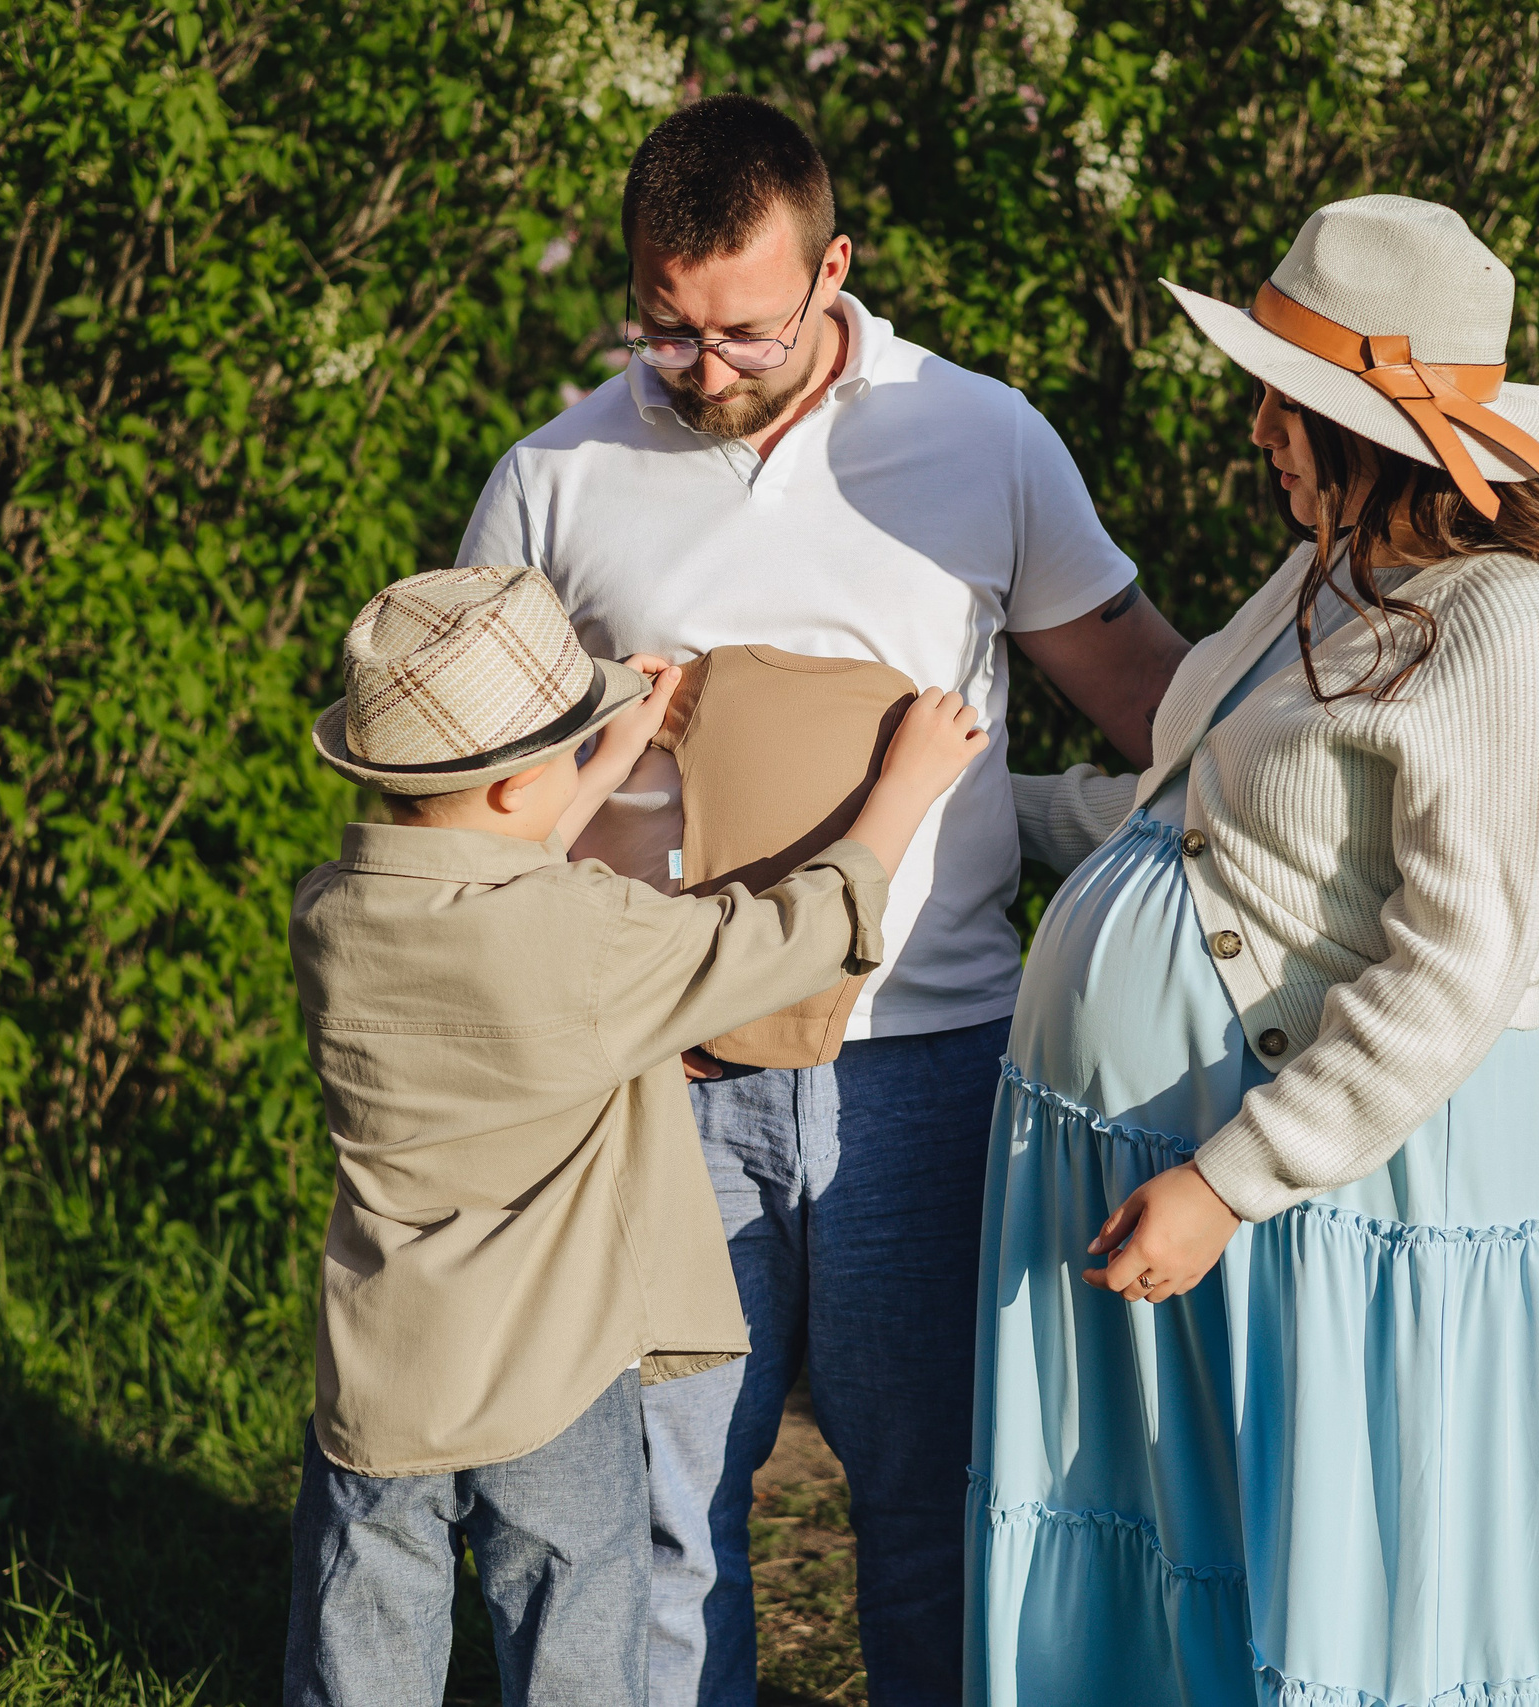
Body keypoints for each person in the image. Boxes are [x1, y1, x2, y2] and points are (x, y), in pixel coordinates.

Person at [455, 96, 1190, 1704]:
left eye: (744, 331)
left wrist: (1322, 776)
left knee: (931, 1501)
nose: (705, 370)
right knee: (670, 1513)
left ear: (833, 267)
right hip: (658, 1076)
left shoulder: (982, 437)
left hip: (924, 1062)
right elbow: (473, 801)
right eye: (667, 333)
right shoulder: (554, 477)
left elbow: (1148, 693)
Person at [974, 195, 1539, 1705]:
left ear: (1373, 427)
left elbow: (1455, 966)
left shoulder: (1516, 630)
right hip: (1227, 1161)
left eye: (1289, 401)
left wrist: (1233, 1178)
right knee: (1199, 1556)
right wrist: (975, 817)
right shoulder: (1331, 568)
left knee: (1356, 1579)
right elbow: (1204, 815)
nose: (1262, 429)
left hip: (1353, 1181)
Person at [281, 565, 988, 1707]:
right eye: (568, 755)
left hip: (381, 1373)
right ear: (520, 790)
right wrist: (903, 790)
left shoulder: (333, 913)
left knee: (360, 1637)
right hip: (550, 1375)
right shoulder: (587, 934)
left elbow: (487, 869)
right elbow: (781, 941)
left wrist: (600, 760)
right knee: (571, 1632)